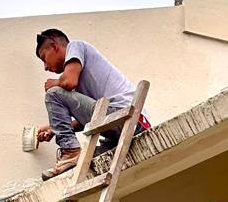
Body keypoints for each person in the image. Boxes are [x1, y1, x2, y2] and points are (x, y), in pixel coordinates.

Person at [33, 29, 145, 179]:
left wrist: (55, 83)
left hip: (127, 117)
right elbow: (92, 117)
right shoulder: (81, 79)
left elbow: (68, 81)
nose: (45, 67)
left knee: (53, 94)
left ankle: (70, 151)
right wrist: (54, 128)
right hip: (123, 125)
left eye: (44, 58)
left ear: (54, 46)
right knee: (84, 164)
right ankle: (71, 157)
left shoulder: (76, 46)